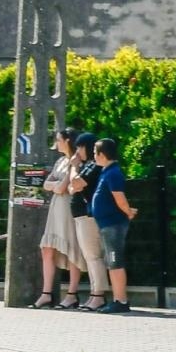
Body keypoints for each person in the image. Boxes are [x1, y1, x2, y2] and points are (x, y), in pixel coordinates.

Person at [32, 127, 85, 309]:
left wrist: (56, 185)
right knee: (47, 248)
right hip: (56, 208)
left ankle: (72, 294)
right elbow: (46, 184)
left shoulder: (76, 161)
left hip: (68, 208)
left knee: (72, 249)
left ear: (67, 141)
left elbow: (63, 187)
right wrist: (56, 185)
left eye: (59, 140)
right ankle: (46, 294)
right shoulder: (60, 161)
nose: (56, 144)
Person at [89, 138, 138, 314]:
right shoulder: (107, 172)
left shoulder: (113, 173)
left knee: (115, 261)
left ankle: (121, 300)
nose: (94, 156)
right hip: (106, 224)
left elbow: (119, 198)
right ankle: (118, 299)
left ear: (102, 154)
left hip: (113, 224)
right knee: (112, 261)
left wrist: (128, 212)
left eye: (95, 153)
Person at [67, 132, 110, 311]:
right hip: (81, 216)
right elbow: (71, 188)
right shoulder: (87, 166)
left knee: (93, 255)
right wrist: (76, 175)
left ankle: (98, 295)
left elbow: (76, 184)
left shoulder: (93, 166)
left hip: (88, 216)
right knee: (89, 256)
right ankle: (94, 293)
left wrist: (74, 167)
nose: (77, 151)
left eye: (79, 147)